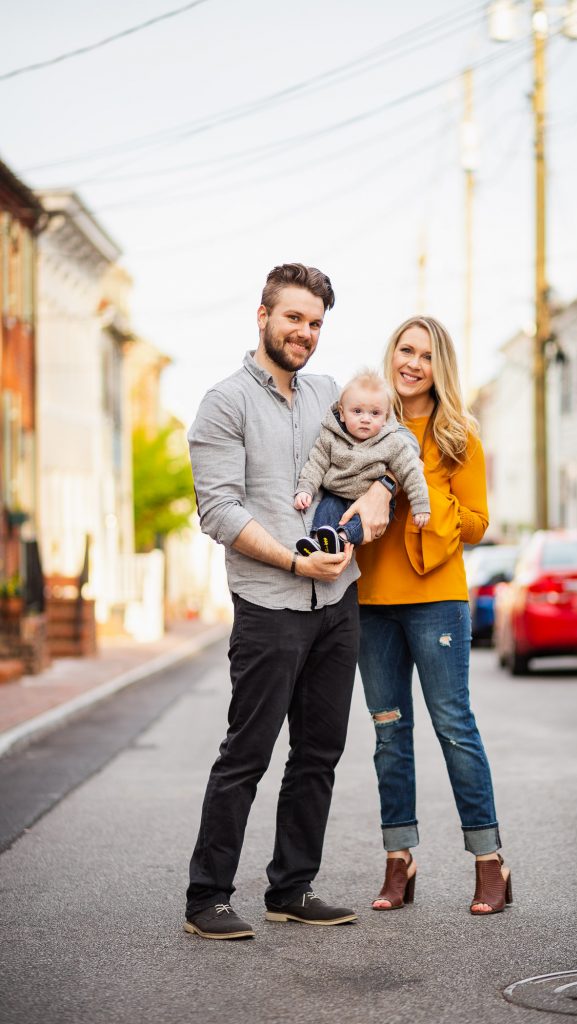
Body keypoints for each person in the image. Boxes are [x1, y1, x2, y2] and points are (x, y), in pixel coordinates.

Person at [184, 263, 394, 940]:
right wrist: (294, 557)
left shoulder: (330, 394)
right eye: (294, 318)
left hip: (337, 603)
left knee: (318, 753)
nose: (304, 332)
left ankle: (292, 887)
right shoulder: (224, 403)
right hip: (268, 604)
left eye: (315, 323)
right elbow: (217, 510)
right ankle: (206, 898)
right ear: (263, 315)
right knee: (247, 753)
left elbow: (380, 454)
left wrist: (377, 496)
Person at [356, 315, 512, 916]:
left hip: (436, 601)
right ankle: (400, 860)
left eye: (424, 354)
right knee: (389, 734)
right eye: (404, 349)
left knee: (454, 726)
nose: (412, 363)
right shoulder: (364, 423)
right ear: (391, 353)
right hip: (372, 603)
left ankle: (488, 859)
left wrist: (423, 492)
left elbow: (477, 523)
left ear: (438, 365)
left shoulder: (458, 435)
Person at [294, 369, 431, 556]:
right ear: (342, 413)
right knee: (327, 508)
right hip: (337, 493)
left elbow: (411, 472)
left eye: (375, 413)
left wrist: (421, 504)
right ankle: (319, 540)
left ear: (385, 417)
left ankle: (342, 538)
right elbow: (316, 463)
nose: (365, 419)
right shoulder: (331, 437)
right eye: (357, 411)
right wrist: (305, 488)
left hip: (371, 503)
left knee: (359, 521)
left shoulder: (391, 443)